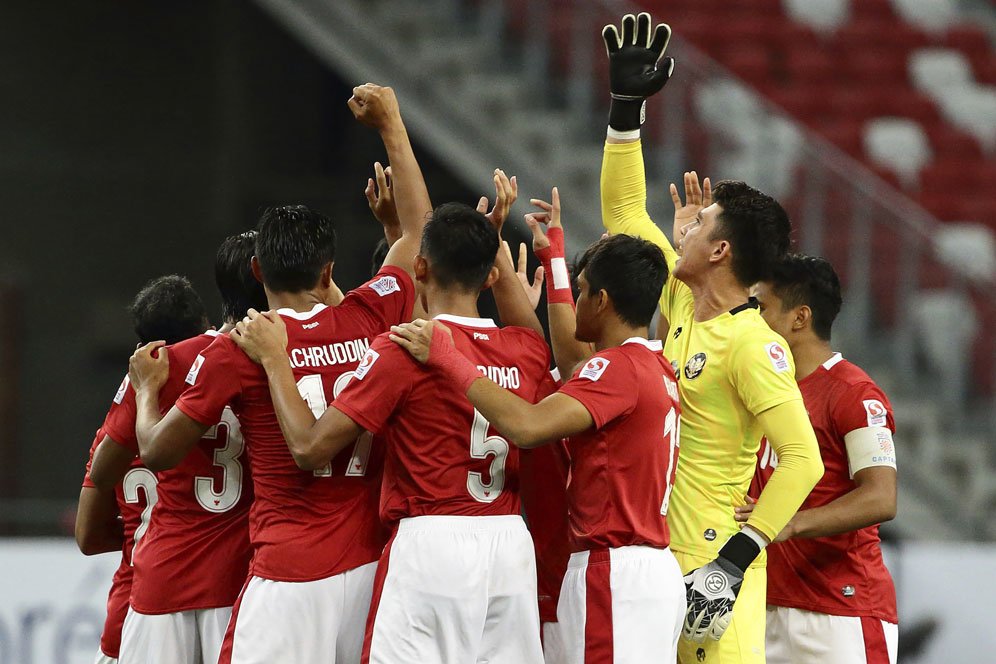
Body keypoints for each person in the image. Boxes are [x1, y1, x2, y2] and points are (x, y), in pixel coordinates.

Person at [127, 84, 429, 664]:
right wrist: (392, 124)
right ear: (329, 270)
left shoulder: (239, 349)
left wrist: (146, 392)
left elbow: (158, 452)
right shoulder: (367, 314)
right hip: (368, 567)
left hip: (289, 573)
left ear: (258, 267)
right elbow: (418, 232)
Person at [230, 200, 549, 664]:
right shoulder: (525, 348)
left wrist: (277, 359)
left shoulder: (405, 349)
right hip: (510, 546)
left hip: (432, 543)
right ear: (492, 276)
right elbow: (532, 330)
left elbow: (310, 446)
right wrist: (491, 243)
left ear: (420, 266)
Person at [599, 13, 824, 663]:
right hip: (661, 556)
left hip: (712, 573)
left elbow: (802, 459)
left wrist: (735, 558)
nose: (683, 233)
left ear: (720, 250)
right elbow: (621, 214)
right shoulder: (680, 301)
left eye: (698, 229)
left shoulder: (754, 344)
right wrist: (625, 112)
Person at [388, 189, 687, 662]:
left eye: (585, 293)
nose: (576, 304)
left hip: (615, 571)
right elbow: (570, 358)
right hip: (643, 570)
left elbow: (527, 426)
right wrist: (556, 259)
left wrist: (452, 360)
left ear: (604, 301)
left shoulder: (616, 372)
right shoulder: (654, 365)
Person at [97, 233, 266, 664]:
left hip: (163, 576)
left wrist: (146, 394)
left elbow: (102, 471)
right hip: (243, 576)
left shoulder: (162, 362)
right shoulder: (283, 359)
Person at [737, 254, 898, 664]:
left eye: (761, 307)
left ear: (799, 318)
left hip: (840, 610)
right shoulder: (763, 392)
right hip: (763, 604)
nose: (751, 318)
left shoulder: (855, 393)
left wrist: (789, 523)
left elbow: (881, 498)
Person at [77, 274, 211, 664]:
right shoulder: (230, 407)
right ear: (205, 329)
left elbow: (87, 536)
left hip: (136, 606)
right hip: (220, 594)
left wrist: (140, 531)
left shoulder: (116, 435)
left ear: (141, 348)